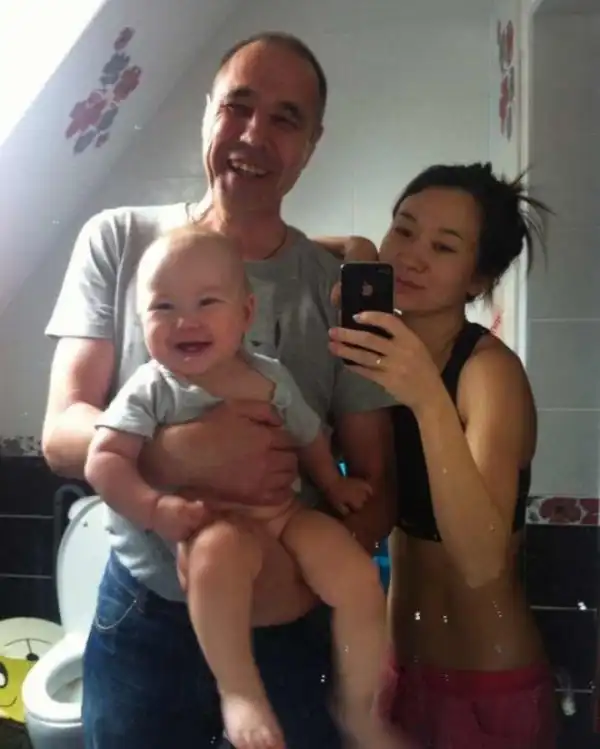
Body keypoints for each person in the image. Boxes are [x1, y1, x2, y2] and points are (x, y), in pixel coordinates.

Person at [42, 32, 395, 749]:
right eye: (238, 105)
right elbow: (60, 431)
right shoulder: (119, 241)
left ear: (311, 145)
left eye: (286, 118)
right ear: (207, 111)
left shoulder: (336, 287)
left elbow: (376, 478)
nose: (255, 134)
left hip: (290, 623)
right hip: (144, 612)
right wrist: (175, 455)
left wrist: (304, 577)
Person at [85, 226, 396, 749]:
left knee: (357, 576)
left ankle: (360, 709)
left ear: (246, 313)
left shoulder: (269, 375)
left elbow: (308, 436)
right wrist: (154, 507)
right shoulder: (152, 387)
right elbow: (104, 459)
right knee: (218, 555)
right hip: (213, 525)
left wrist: (332, 484)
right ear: (141, 322)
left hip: (283, 515)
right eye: (163, 307)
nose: (186, 320)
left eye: (208, 302)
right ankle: (239, 692)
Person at [321, 162, 557, 748]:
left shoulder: (488, 374)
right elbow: (275, 242)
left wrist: (428, 397)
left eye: (444, 247)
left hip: (486, 688)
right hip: (399, 675)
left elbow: (481, 562)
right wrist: (357, 249)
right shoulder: (377, 354)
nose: (412, 256)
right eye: (403, 230)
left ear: (478, 279)